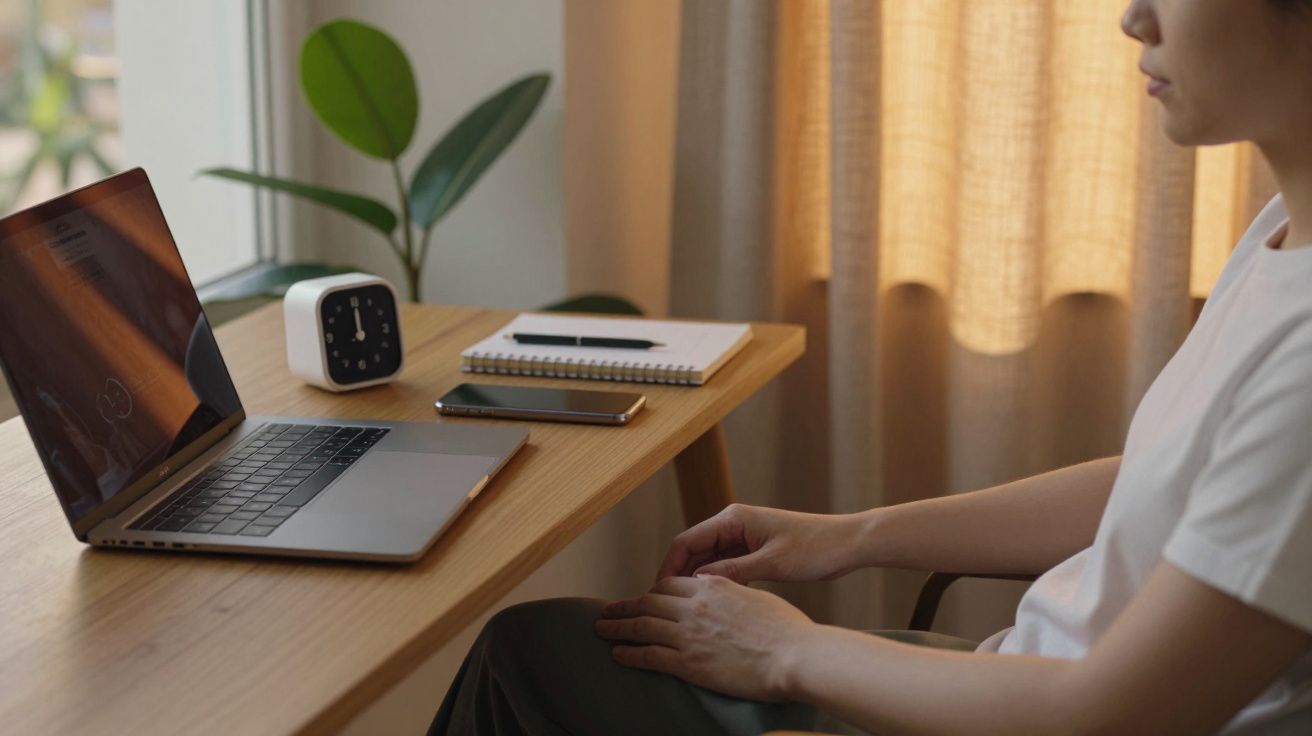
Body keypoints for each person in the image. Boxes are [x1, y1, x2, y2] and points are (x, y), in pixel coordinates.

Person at [430, 0, 1312, 733]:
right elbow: (1171, 484)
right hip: (1021, 678)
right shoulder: (1282, 228)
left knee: (527, 660)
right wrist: (849, 535)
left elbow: (1108, 715)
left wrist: (787, 652)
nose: (1134, 18)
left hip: (1049, 709)